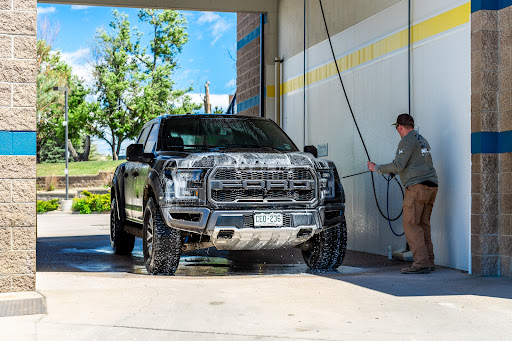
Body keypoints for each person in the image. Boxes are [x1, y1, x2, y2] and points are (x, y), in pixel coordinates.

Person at [367, 114, 438, 274]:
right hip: (431, 187)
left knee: (411, 224)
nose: (398, 131)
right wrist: (396, 173)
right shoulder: (421, 139)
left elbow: (398, 164)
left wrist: (376, 168)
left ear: (400, 126)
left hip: (417, 188)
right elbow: (416, 165)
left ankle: (420, 263)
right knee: (423, 225)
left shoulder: (406, 141)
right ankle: (429, 261)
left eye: (397, 128)